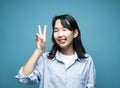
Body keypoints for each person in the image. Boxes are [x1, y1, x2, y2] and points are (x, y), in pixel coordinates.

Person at [15, 14, 96, 88]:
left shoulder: (87, 60)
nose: (60, 35)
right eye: (56, 30)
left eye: (64, 30)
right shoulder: (45, 59)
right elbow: (23, 78)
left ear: (75, 33)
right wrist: (39, 50)